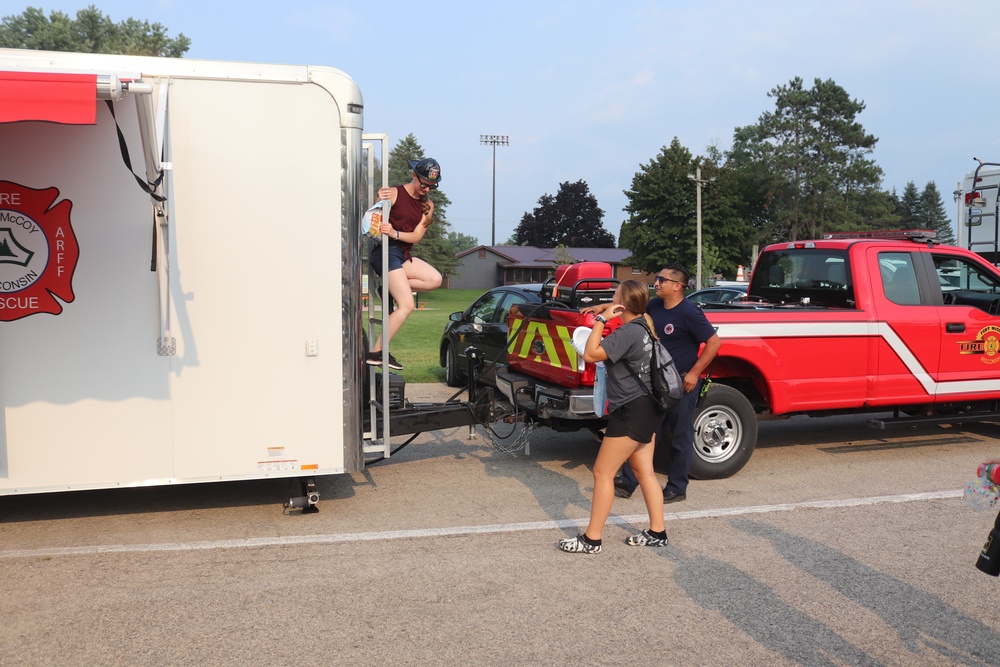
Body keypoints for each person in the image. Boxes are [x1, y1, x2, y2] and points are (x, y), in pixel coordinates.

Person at [586, 263, 721, 503]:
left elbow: (713, 343)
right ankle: (628, 482)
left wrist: (693, 374)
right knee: (643, 432)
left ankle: (677, 486)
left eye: (662, 280)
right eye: (657, 279)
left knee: (680, 434)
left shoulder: (690, 312)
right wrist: (604, 308)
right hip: (654, 382)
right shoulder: (655, 305)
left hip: (680, 381)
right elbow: (630, 304)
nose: (657, 283)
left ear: (678, 286)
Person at [558, 280, 668, 554]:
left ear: (624, 303)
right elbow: (628, 308)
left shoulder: (626, 333)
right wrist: (608, 307)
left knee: (602, 472)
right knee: (645, 471)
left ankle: (591, 539)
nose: (612, 298)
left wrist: (600, 319)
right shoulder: (645, 323)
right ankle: (658, 532)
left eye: (615, 296)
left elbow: (592, 353)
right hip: (648, 407)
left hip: (631, 411)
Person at [366, 158, 444, 370]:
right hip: (384, 252)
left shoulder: (428, 205)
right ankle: (377, 352)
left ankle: (388, 288)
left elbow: (417, 236)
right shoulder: (394, 192)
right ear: (414, 176)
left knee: (435, 279)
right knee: (407, 305)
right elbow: (372, 217)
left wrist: (395, 232)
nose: (427, 188)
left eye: (432, 185)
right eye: (424, 183)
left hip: (401, 252)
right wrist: (378, 198)